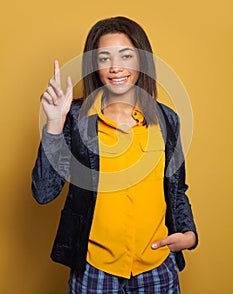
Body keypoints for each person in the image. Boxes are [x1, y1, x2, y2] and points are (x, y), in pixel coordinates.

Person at [32, 16, 198, 293]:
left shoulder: (168, 119)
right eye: (104, 57)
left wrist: (190, 234)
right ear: (94, 65)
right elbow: (44, 192)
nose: (115, 67)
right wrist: (54, 125)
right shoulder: (75, 119)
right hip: (94, 270)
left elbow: (176, 188)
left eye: (126, 55)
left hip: (156, 267)